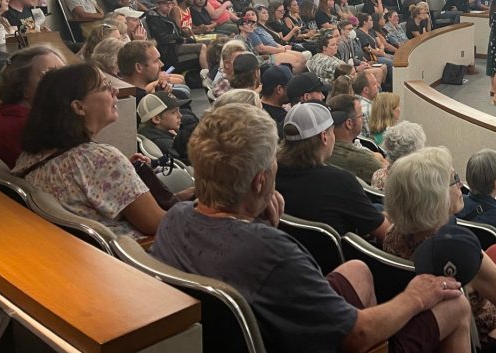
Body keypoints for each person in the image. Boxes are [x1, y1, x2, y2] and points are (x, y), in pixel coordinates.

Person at [151, 103, 471, 353]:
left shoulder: (174, 219)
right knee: (454, 303)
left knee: (358, 269)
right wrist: (416, 296)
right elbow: (358, 335)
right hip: (330, 341)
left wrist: (257, 226)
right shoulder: (273, 253)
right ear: (260, 180)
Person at [383, 147, 496, 350]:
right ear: (435, 197)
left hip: (426, 335)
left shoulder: (392, 235)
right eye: (454, 179)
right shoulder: (457, 250)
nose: (460, 185)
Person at [12, 64, 166, 238]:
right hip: (132, 258)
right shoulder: (101, 161)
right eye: (105, 87)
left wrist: (123, 175)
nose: (115, 90)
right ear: (78, 107)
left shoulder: (30, 156)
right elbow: (157, 224)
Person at [276, 103, 390, 241]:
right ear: (324, 137)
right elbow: (386, 234)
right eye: (332, 131)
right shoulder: (340, 182)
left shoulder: (271, 175)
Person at [0, 46, 65, 167]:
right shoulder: (27, 126)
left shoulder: (10, 114)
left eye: (63, 74)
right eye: (48, 75)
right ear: (23, 88)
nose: (62, 82)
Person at [326, 94, 387, 184]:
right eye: (361, 116)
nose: (362, 119)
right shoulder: (365, 161)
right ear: (349, 124)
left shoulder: (320, 151)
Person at [136, 92, 188, 160]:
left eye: (178, 110)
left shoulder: (150, 133)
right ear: (156, 119)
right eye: (173, 112)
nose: (180, 115)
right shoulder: (165, 144)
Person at [260, 64, 293, 138]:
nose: (293, 90)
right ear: (279, 89)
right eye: (290, 86)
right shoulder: (283, 120)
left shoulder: (256, 107)